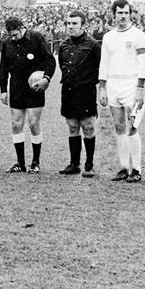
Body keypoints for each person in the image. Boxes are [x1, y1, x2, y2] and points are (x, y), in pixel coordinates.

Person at [0, 16, 56, 174]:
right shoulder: (7, 43)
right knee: (16, 124)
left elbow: (50, 60)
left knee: (33, 123)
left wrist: (46, 78)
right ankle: (20, 163)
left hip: (34, 87)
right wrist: (3, 89)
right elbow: (3, 67)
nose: (13, 37)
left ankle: (35, 162)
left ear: (22, 28)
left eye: (15, 34)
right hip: (16, 87)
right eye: (10, 35)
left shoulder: (36, 38)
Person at [98, 0, 145, 182]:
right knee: (119, 127)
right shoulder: (108, 37)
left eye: (126, 12)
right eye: (119, 13)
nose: (123, 16)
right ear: (114, 15)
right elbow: (104, 63)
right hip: (113, 84)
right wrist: (102, 87)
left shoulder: (138, 34)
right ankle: (124, 167)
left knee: (133, 127)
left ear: (130, 13)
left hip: (132, 83)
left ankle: (137, 169)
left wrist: (140, 87)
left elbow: (143, 63)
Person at [58, 10, 101, 176]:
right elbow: (63, 65)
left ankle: (89, 164)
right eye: (69, 23)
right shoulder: (64, 45)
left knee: (88, 127)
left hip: (85, 92)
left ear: (83, 25)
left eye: (74, 23)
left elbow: (99, 68)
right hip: (68, 91)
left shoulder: (93, 45)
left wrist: (88, 82)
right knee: (72, 126)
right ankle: (73, 164)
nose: (71, 27)